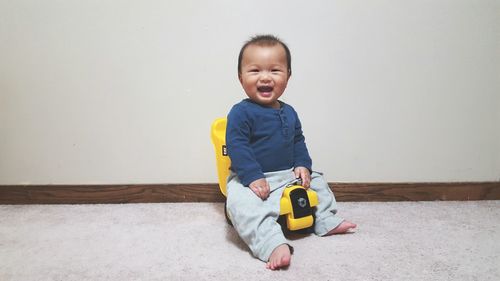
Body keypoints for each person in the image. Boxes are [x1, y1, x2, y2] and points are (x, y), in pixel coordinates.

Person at [225, 34, 356, 270]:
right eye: (255, 71)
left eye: (275, 70)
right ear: (240, 77)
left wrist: (302, 164)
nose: (265, 77)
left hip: (287, 174)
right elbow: (237, 145)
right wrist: (252, 175)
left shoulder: (290, 112)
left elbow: (297, 140)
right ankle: (271, 242)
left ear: (288, 76)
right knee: (239, 203)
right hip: (253, 179)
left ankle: (325, 219)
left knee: (318, 180)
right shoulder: (240, 113)